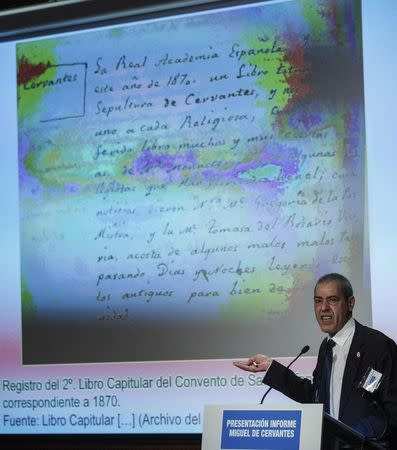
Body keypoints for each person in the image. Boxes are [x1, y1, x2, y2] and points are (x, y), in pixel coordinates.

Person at [234, 273, 397, 441]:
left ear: (350, 303)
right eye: (318, 301)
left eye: (332, 299)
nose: (324, 307)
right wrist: (271, 367)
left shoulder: (377, 346)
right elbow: (317, 398)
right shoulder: (326, 347)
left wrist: (357, 439)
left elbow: (392, 412)